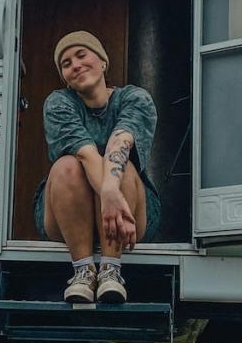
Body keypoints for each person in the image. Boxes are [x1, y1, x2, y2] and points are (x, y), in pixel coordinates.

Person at [33, 30, 161, 303]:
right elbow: (87, 153)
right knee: (68, 165)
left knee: (121, 166)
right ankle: (83, 271)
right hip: (69, 212)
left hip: (129, 212)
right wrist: (109, 195)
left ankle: (111, 271)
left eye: (81, 55)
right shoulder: (59, 103)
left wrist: (112, 191)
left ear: (103, 62)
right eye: (66, 63)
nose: (75, 65)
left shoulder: (135, 98)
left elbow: (120, 142)